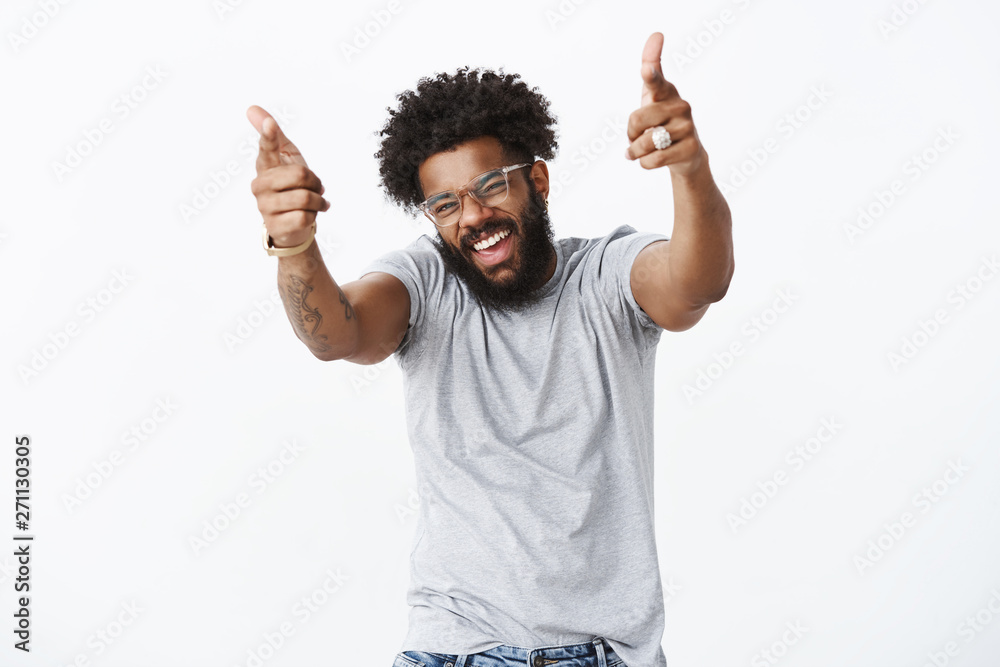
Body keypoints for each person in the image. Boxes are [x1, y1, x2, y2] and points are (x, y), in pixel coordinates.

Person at [248, 32, 733, 667]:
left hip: (606, 654)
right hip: (454, 649)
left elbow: (699, 282)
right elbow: (336, 333)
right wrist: (294, 244)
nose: (472, 216)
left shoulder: (606, 276)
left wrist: (689, 169)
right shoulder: (425, 281)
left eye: (491, 186)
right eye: (445, 204)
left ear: (537, 180)